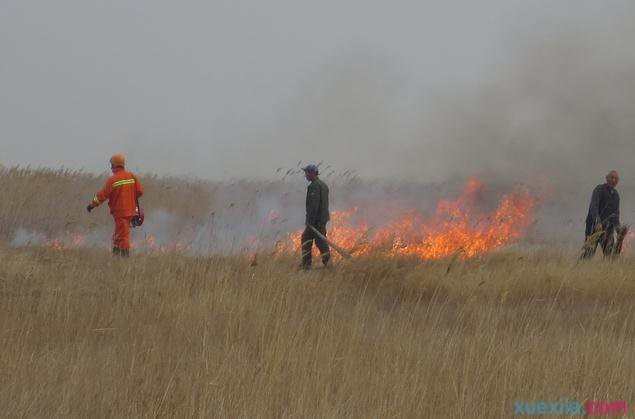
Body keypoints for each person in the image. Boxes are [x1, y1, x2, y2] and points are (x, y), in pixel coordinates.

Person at [86, 154, 143, 256]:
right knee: (119, 234)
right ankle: (115, 256)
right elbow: (139, 191)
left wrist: (92, 205)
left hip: (120, 213)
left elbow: (101, 196)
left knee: (123, 236)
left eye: (112, 165)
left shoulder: (113, 180)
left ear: (115, 165)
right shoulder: (132, 176)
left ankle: (124, 257)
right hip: (131, 211)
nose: (111, 167)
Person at [582, 170, 622, 258]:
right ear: (607, 178)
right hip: (594, 227)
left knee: (610, 256)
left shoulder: (616, 195)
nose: (614, 180)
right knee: (588, 253)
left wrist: (619, 229)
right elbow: (594, 206)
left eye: (616, 179)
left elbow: (616, 215)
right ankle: (581, 269)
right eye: (612, 177)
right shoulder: (599, 189)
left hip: (608, 229)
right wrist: (597, 221)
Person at [301, 164, 330, 269]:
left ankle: (306, 265)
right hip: (322, 220)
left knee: (307, 239)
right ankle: (327, 263)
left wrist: (310, 221)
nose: (306, 175)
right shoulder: (323, 185)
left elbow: (314, 206)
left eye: (307, 173)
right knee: (321, 242)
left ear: (312, 173)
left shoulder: (314, 186)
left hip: (315, 222)